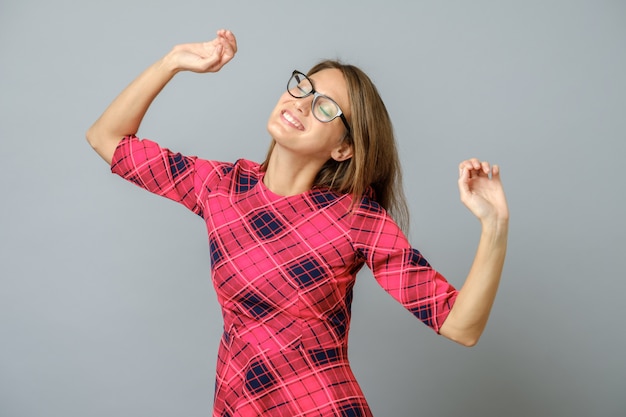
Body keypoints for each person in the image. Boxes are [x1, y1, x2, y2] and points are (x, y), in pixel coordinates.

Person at [86, 29, 509, 417]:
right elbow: (106, 138)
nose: (301, 103)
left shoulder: (356, 220)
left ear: (344, 148)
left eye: (325, 107)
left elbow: (461, 326)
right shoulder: (221, 187)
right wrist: (173, 61)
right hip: (238, 401)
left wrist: (495, 225)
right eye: (303, 86)